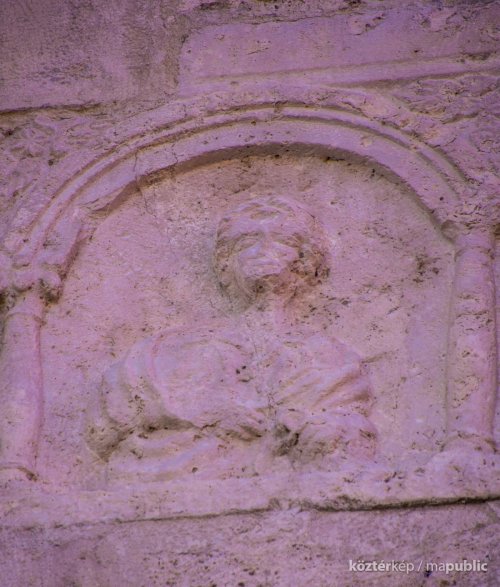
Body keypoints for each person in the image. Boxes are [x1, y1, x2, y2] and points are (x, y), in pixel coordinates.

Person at [87, 196, 376, 478]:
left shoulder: (332, 358)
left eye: (283, 241)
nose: (263, 250)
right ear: (226, 262)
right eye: (247, 241)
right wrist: (204, 412)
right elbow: (108, 423)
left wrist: (318, 431)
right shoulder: (169, 348)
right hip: (181, 478)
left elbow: (348, 432)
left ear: (305, 261)